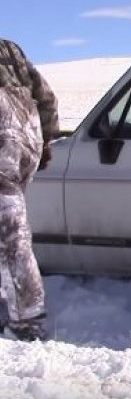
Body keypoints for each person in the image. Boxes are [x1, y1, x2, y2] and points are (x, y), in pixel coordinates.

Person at [0, 38, 59, 341]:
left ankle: (27, 322)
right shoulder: (12, 49)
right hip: (27, 134)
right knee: (11, 231)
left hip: (5, 138)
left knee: (10, 235)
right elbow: (46, 97)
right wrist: (45, 142)